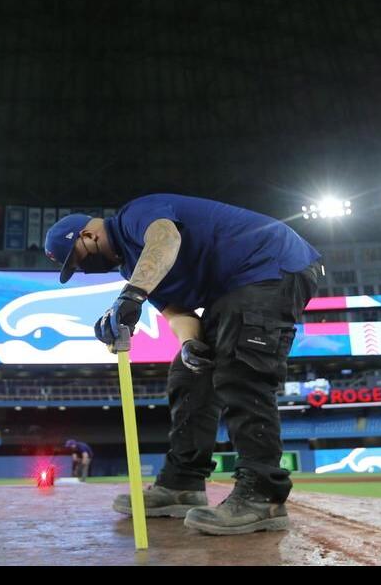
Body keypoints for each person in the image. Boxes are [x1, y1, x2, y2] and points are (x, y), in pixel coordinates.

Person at [45, 194, 320, 535]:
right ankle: (182, 484)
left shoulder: (134, 214)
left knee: (240, 369)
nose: (82, 269)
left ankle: (263, 496)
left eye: (78, 260)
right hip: (234, 288)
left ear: (88, 236)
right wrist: (191, 345)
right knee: (187, 374)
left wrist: (131, 295)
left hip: (270, 265)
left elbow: (166, 237)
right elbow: (178, 313)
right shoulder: (133, 267)